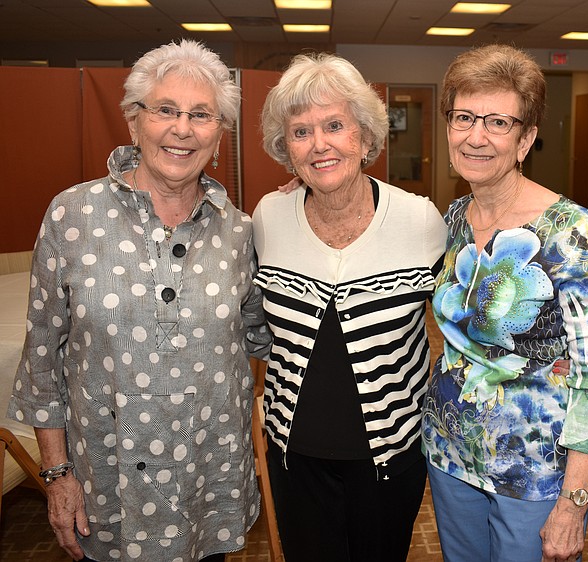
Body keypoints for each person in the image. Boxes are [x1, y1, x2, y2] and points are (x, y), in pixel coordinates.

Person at [6, 39, 270, 562]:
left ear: (219, 136)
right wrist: (56, 476)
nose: (182, 129)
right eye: (165, 110)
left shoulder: (239, 232)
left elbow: (263, 339)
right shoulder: (71, 216)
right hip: (106, 491)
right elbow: (41, 361)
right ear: (133, 121)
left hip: (209, 489)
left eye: (202, 115)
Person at [421, 44, 588, 562]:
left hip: (535, 472)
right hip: (449, 452)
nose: (475, 136)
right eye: (463, 117)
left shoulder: (572, 230)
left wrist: (574, 503)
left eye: (498, 122)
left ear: (526, 138)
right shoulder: (455, 217)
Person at [253, 53, 447, 562]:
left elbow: (458, 327)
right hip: (295, 457)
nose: (320, 144)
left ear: (363, 137)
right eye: (301, 132)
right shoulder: (269, 216)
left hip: (391, 458)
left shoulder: (420, 221)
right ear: (286, 149)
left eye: (335, 125)